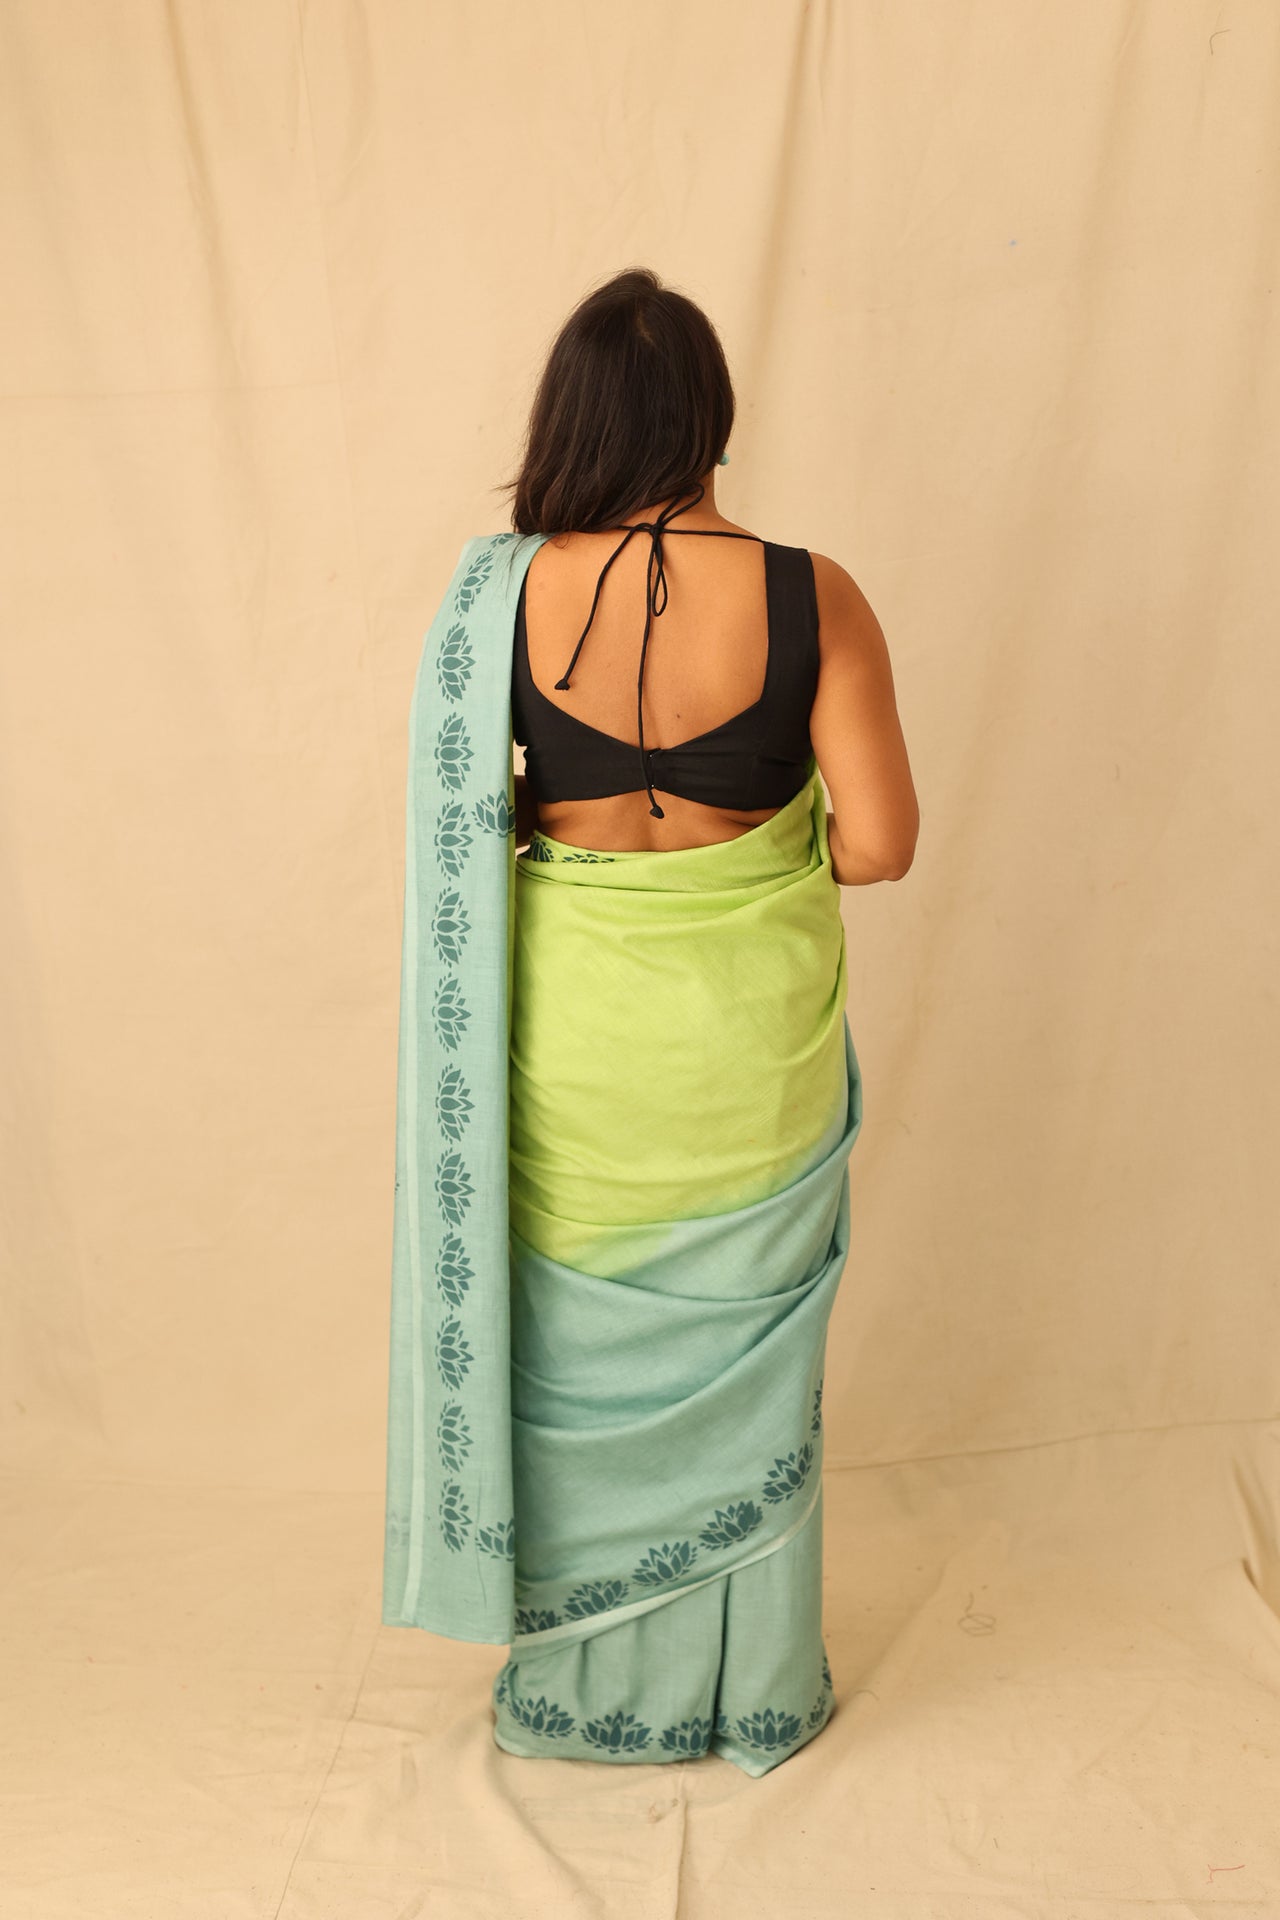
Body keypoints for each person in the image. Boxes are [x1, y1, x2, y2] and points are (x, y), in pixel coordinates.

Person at [382, 266, 918, 1779]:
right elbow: (882, 845)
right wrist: (756, 856)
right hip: (750, 1050)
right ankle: (751, 1693)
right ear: (713, 417)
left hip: (577, 1046)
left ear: (572, 422)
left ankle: (580, 1697)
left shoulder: (497, 599)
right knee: (754, 1351)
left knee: (576, 1346)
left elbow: (461, 834)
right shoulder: (816, 594)